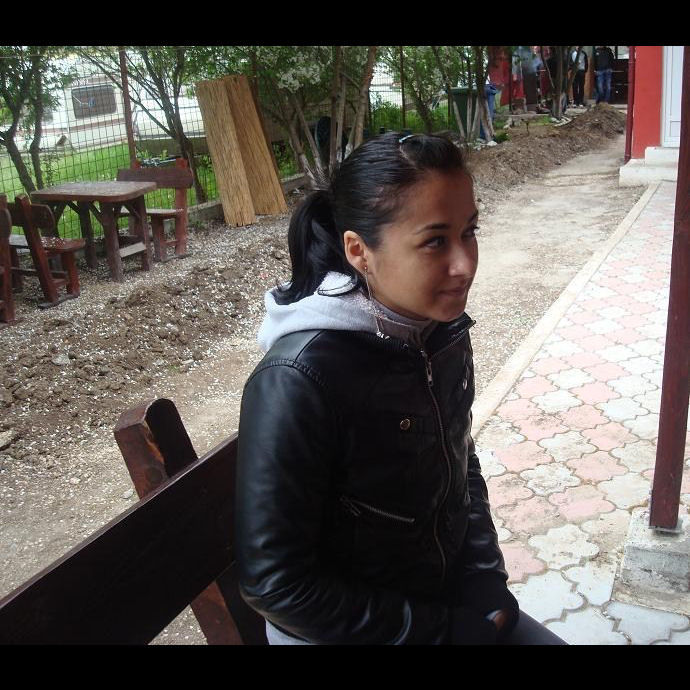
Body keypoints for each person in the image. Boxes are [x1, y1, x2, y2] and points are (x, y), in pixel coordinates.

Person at [235, 132, 567, 645]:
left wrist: (484, 580)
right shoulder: (298, 379)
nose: (464, 264)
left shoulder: (436, 331)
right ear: (358, 251)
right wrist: (442, 632)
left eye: (470, 232)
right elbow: (277, 585)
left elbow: (457, 460)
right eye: (435, 241)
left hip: (440, 600)